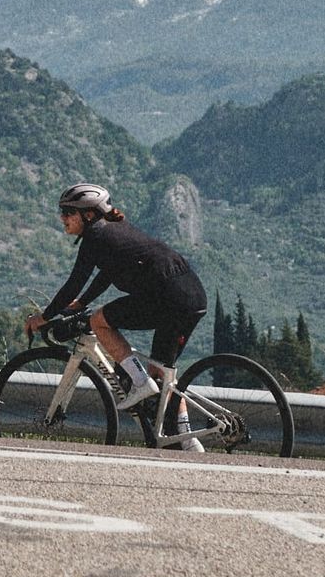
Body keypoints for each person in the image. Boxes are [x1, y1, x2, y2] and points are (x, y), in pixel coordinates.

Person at [25, 183, 208, 435]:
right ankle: (188, 440)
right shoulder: (115, 232)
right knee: (163, 375)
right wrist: (81, 303)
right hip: (192, 296)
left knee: (99, 321)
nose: (62, 217)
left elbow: (73, 283)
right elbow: (106, 274)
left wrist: (43, 317)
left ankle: (139, 383)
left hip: (168, 297)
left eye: (68, 212)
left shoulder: (94, 238)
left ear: (88, 215)